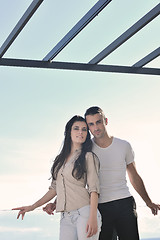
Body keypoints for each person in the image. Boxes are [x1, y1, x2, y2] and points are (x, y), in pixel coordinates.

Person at [43, 107, 160, 240]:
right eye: (91, 124)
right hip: (100, 206)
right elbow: (73, 181)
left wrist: (148, 201)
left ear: (106, 121)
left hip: (124, 203)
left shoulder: (124, 145)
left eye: (98, 122)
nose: (96, 127)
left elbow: (134, 176)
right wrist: (57, 201)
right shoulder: (86, 150)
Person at [12, 115, 102, 240]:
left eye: (84, 129)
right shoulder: (60, 160)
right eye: (76, 128)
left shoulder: (88, 157)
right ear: (69, 132)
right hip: (65, 217)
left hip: (85, 213)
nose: (80, 132)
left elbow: (94, 190)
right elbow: (54, 188)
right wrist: (32, 207)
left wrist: (93, 218)